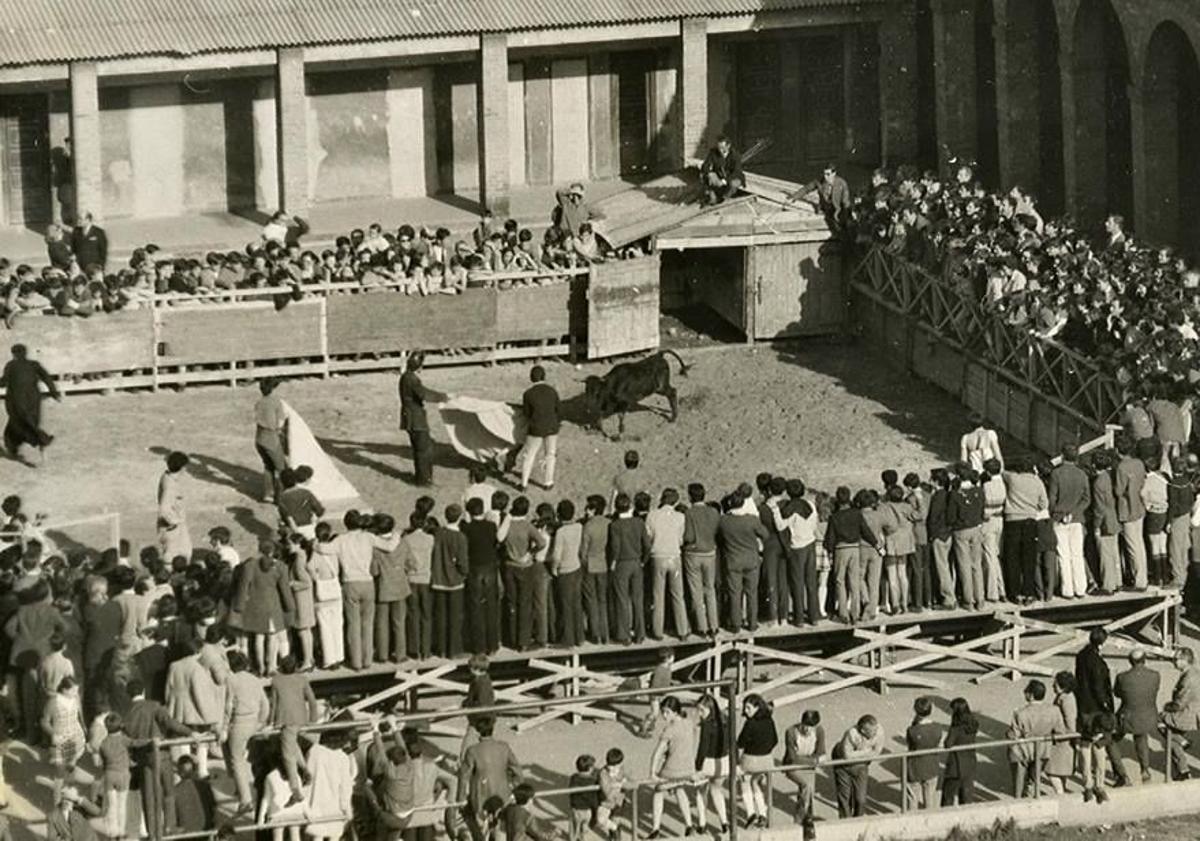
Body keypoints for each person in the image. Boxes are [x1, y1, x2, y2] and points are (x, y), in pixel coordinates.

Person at [458, 717, 523, 841]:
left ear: (477, 732)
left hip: (480, 798)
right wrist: (516, 790)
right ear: (493, 730)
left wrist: (461, 799)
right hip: (502, 797)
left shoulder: (472, 751)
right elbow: (517, 770)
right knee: (501, 832)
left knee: (482, 833)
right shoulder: (504, 747)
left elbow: (463, 777)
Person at [222, 650, 270, 816]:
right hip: (253, 722)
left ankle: (245, 800)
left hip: (239, 723)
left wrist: (224, 726)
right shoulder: (255, 679)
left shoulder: (231, 680)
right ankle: (240, 785)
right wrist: (261, 722)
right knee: (240, 758)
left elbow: (228, 706)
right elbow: (265, 704)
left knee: (236, 760)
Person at [0, 344, 61, 463]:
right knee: (24, 423)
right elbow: (46, 377)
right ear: (25, 353)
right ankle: (15, 449)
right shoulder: (34, 364)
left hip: (17, 401)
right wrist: (54, 393)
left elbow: (3, 382)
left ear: (13, 354)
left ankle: (42, 439)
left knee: (21, 424)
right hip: (34, 400)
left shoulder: (11, 365)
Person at [271, 653, 318, 807]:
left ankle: (295, 789)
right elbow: (312, 700)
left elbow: (274, 704)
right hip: (301, 718)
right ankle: (304, 769)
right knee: (292, 744)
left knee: (287, 756)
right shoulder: (302, 679)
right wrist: (313, 719)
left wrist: (272, 722)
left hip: (287, 720)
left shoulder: (276, 680)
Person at [647, 696, 696, 839]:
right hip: (688, 768)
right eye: (663, 712)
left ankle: (655, 828)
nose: (664, 715)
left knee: (658, 790)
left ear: (675, 712)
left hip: (672, 770)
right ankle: (689, 824)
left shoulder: (669, 729)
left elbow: (657, 753)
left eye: (667, 712)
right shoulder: (689, 723)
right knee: (679, 789)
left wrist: (652, 773)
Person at [719, 493, 769, 632]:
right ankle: (752, 623)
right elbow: (765, 534)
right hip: (751, 560)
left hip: (733, 560)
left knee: (735, 593)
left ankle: (736, 624)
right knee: (752, 593)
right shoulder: (752, 520)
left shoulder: (724, 521)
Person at [1007, 679, 1064, 798]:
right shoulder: (1054, 710)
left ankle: (1018, 798)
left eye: (1026, 691)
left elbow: (1015, 735)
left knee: (1019, 781)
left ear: (1031, 695)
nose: (1024, 693)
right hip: (1043, 750)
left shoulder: (1020, 713)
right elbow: (1060, 732)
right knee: (1036, 777)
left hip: (1023, 751)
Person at [399, 352, 449, 487]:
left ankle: (421, 477)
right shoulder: (412, 379)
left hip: (410, 417)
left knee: (419, 449)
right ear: (418, 366)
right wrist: (444, 397)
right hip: (416, 419)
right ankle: (424, 480)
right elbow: (424, 394)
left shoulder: (406, 377)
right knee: (424, 450)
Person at [646, 488, 689, 640]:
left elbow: (649, 536)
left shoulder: (652, 515)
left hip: (658, 556)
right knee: (678, 595)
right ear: (675, 501)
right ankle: (682, 630)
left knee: (658, 596)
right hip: (674, 556)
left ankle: (658, 631)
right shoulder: (680, 517)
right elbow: (681, 539)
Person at [1114, 647, 1161, 783]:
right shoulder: (1155, 675)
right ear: (1144, 660)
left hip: (1126, 717)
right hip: (1148, 716)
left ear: (1130, 661)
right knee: (1141, 737)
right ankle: (1145, 769)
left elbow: (1117, 693)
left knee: (1111, 739)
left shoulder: (1122, 677)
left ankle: (1122, 774)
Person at [608, 493, 650, 645]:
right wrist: (643, 561)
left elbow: (615, 547)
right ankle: (640, 633)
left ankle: (624, 634)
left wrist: (613, 562)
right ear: (630, 507)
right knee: (638, 599)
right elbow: (647, 544)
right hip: (636, 562)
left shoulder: (615, 526)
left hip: (622, 564)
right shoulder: (638, 522)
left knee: (622, 599)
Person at [432, 504, 469, 658]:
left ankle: (441, 649)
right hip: (455, 582)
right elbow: (463, 563)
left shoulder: (438, 533)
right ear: (459, 517)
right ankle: (454, 650)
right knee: (455, 618)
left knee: (441, 616)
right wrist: (464, 573)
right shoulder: (460, 537)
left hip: (438, 580)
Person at [736, 694, 776, 829]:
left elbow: (740, 743)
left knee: (744, 782)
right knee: (755, 783)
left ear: (757, 707)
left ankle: (751, 813)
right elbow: (775, 740)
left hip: (750, 759)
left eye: (748, 708)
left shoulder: (750, 723)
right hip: (767, 760)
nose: (746, 711)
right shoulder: (769, 720)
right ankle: (763, 814)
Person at [831, 715, 884, 818]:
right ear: (863, 731)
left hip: (861, 765)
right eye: (872, 731)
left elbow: (877, 752)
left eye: (875, 729)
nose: (875, 733)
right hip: (842, 765)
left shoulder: (879, 731)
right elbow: (847, 755)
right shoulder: (851, 734)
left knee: (861, 799)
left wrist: (860, 755)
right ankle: (846, 822)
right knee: (845, 797)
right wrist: (867, 752)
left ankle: (858, 819)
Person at [782, 709, 823, 838]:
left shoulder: (819, 731)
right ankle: (800, 819)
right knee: (806, 786)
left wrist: (813, 760)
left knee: (809, 792)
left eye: (810, 727)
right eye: (805, 725)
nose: (806, 730)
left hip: (808, 765)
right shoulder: (791, 732)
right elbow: (793, 757)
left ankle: (807, 818)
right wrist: (813, 761)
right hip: (793, 766)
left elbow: (821, 750)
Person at [309, 522, 344, 669]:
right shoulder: (334, 550)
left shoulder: (316, 553)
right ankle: (339, 655)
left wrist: (316, 578)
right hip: (335, 590)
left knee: (325, 627)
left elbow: (310, 567)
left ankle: (329, 659)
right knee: (337, 625)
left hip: (323, 592)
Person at [519, 366, 560, 491]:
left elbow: (526, 414)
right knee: (550, 455)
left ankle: (524, 484)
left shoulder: (528, 394)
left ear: (531, 378)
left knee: (529, 455)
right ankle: (548, 482)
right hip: (552, 427)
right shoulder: (553, 391)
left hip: (536, 428)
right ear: (544, 376)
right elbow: (558, 410)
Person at [693, 693, 730, 834]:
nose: (700, 713)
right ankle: (724, 822)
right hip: (723, 762)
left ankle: (702, 823)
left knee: (700, 793)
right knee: (717, 791)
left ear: (709, 709)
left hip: (707, 762)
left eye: (702, 710)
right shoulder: (725, 721)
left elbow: (703, 747)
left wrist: (697, 766)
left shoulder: (707, 724)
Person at [1163, 647, 1200, 780]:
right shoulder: (1193, 672)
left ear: (1185, 660)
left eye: (1176, 659)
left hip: (1189, 713)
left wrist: (1166, 707)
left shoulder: (1188, 678)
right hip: (1192, 710)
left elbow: (1180, 702)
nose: (1173, 661)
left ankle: (1182, 744)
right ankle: (1183, 769)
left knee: (1161, 722)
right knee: (1172, 736)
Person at [254, 378, 289, 504]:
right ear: (273, 389)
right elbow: (279, 424)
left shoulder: (259, 402)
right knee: (281, 468)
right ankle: (280, 498)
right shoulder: (276, 402)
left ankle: (268, 494)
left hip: (259, 438)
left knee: (268, 465)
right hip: (271, 438)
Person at [941, 697, 979, 806]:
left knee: (948, 796)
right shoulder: (973, 725)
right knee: (966, 796)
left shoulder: (955, 729)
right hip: (969, 764)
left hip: (955, 766)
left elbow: (947, 744)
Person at [905, 697, 942, 809]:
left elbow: (909, 745)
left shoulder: (912, 730)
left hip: (915, 767)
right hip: (931, 765)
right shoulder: (938, 728)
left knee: (912, 797)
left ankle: (912, 819)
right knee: (930, 796)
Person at [1047, 671, 1079, 793]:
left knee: (1052, 772)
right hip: (1064, 739)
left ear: (1063, 686)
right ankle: (1062, 792)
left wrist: (1063, 735)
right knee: (1061, 771)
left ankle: (1060, 794)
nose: (1053, 686)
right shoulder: (1064, 696)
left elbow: (1070, 722)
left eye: (1055, 684)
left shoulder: (1066, 700)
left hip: (1062, 740)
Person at [156, 451, 192, 562]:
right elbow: (163, 510)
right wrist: (174, 523)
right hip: (172, 529)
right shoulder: (170, 486)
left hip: (175, 526)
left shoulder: (167, 477)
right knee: (173, 559)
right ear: (181, 468)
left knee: (184, 555)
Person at [1080, 711, 1117, 804]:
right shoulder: (1086, 720)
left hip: (1100, 741)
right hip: (1086, 739)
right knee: (1085, 763)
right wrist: (1091, 737)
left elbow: (1109, 738)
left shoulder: (1109, 721)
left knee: (1101, 763)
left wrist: (1099, 741)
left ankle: (1099, 786)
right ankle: (1088, 787)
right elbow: (1080, 732)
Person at [596, 748, 629, 841]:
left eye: (616, 766)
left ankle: (615, 836)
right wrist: (619, 784)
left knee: (616, 820)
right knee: (601, 820)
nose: (613, 768)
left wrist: (623, 783)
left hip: (619, 802)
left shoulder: (622, 771)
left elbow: (632, 784)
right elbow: (607, 791)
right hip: (606, 803)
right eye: (610, 766)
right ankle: (614, 828)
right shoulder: (603, 773)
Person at [699, 137, 743, 206]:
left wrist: (724, 181)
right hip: (718, 176)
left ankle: (725, 198)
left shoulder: (735, 155)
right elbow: (705, 166)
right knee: (705, 176)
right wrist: (710, 173)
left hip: (731, 177)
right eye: (719, 147)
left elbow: (736, 172)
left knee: (734, 183)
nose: (720, 150)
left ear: (728, 146)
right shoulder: (713, 153)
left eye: (722, 147)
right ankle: (713, 197)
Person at [568, 754, 599, 841]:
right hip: (588, 809)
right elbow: (594, 798)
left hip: (576, 808)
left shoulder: (574, 778)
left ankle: (573, 839)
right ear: (589, 768)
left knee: (574, 827)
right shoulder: (593, 781)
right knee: (585, 828)